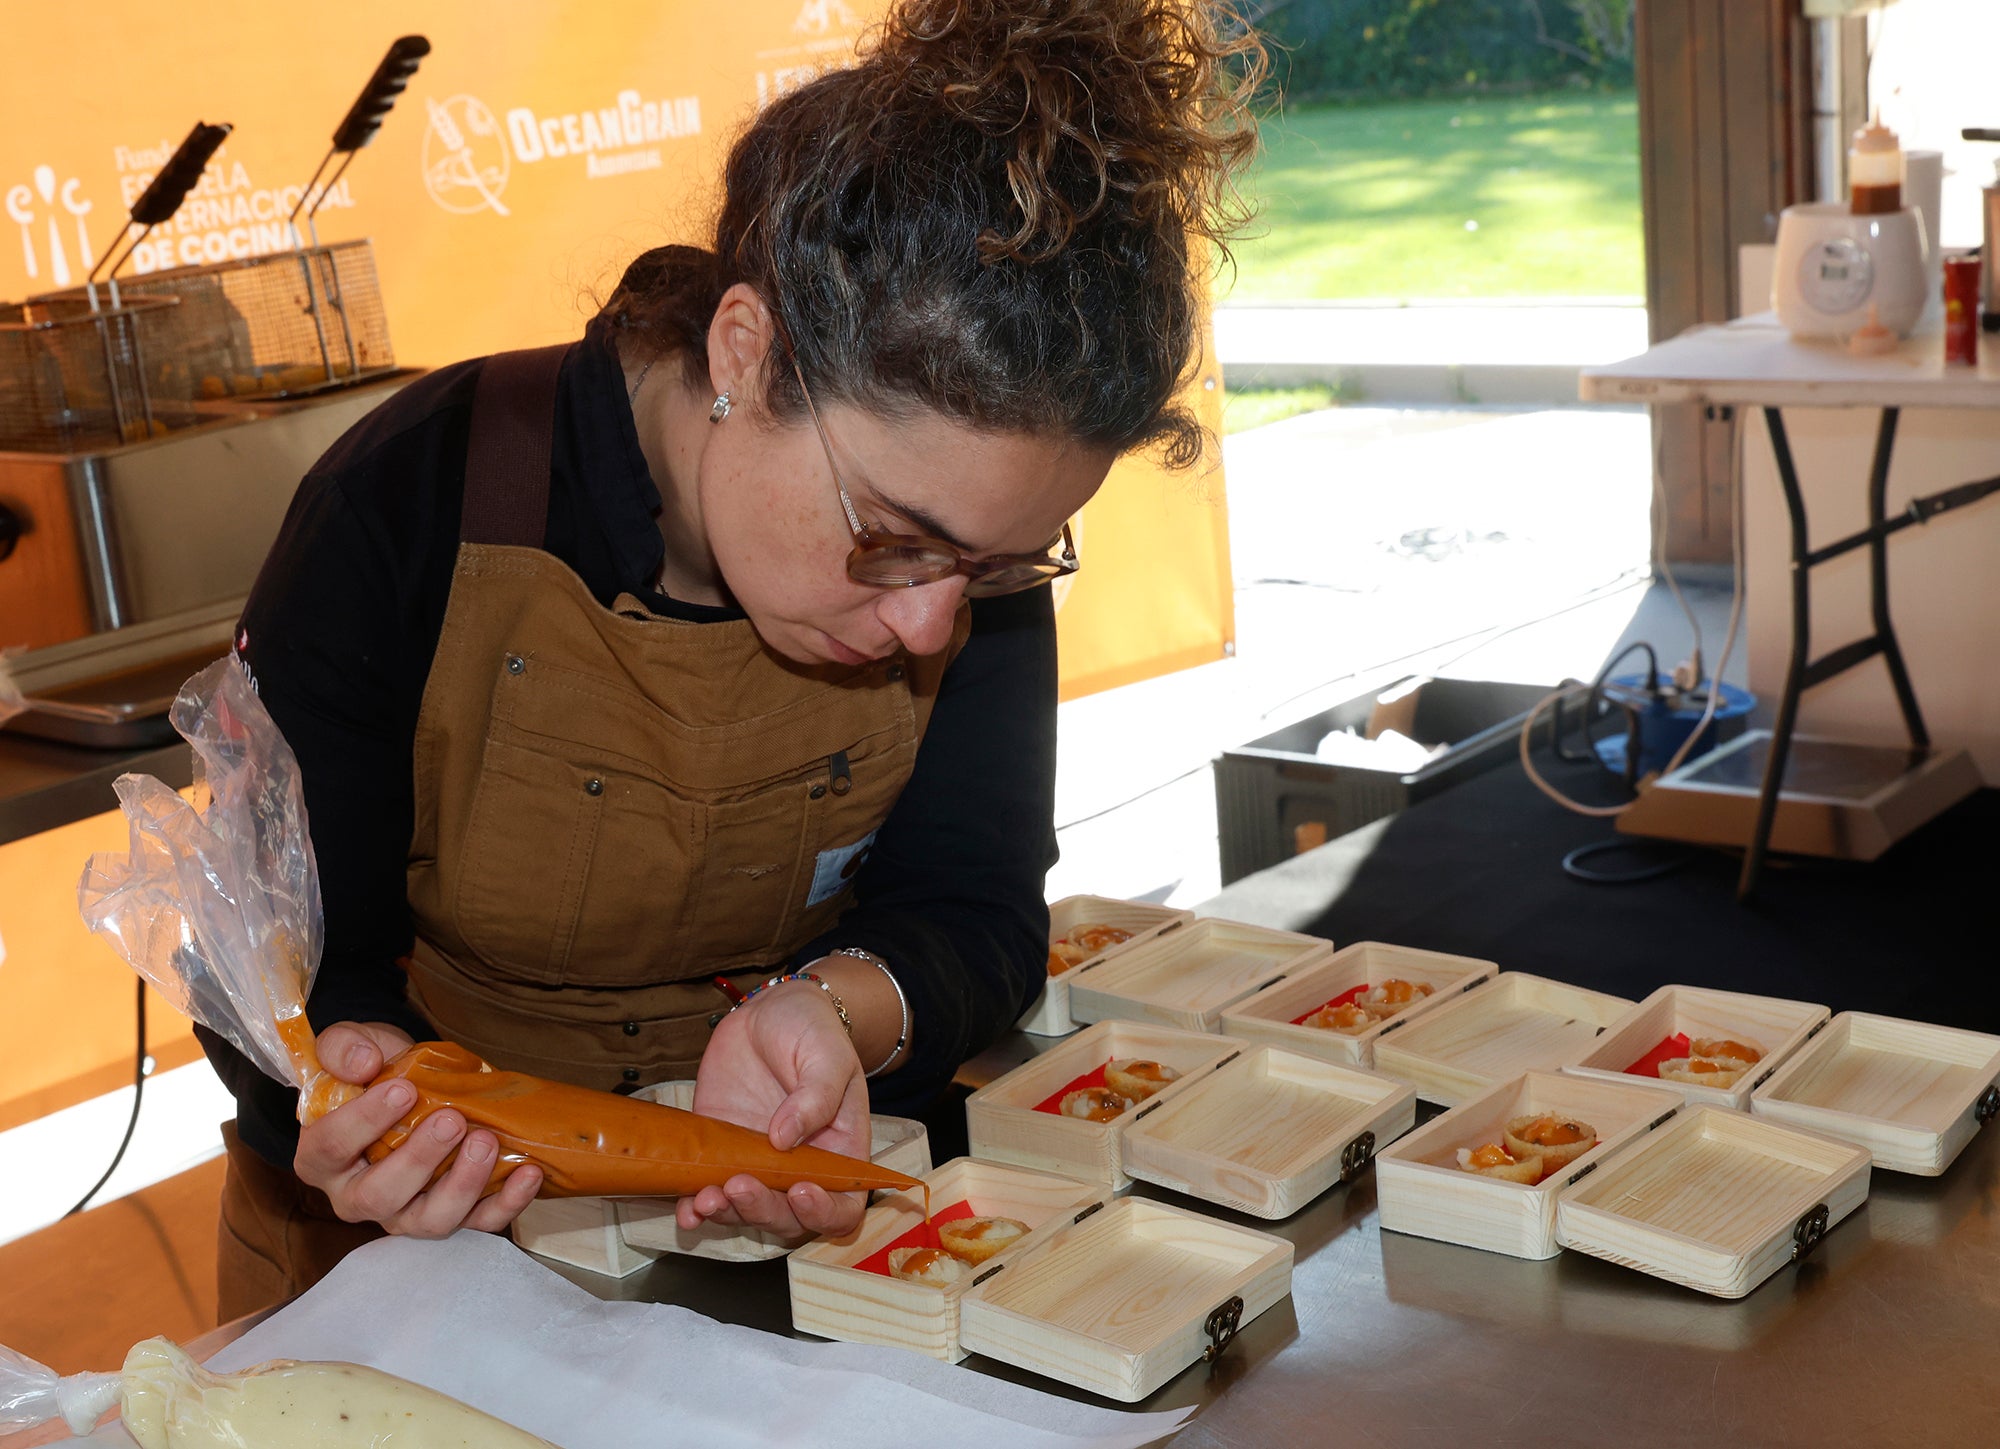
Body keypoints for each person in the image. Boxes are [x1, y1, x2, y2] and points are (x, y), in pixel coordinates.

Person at [201, 0, 1262, 1318]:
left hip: (790, 1247)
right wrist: (364, 1095)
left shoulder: (964, 541)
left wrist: (832, 1013)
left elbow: (975, 912)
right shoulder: (411, 506)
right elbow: (285, 962)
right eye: (894, 540)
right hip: (404, 1263)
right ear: (745, 353)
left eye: (997, 566)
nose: (933, 626)